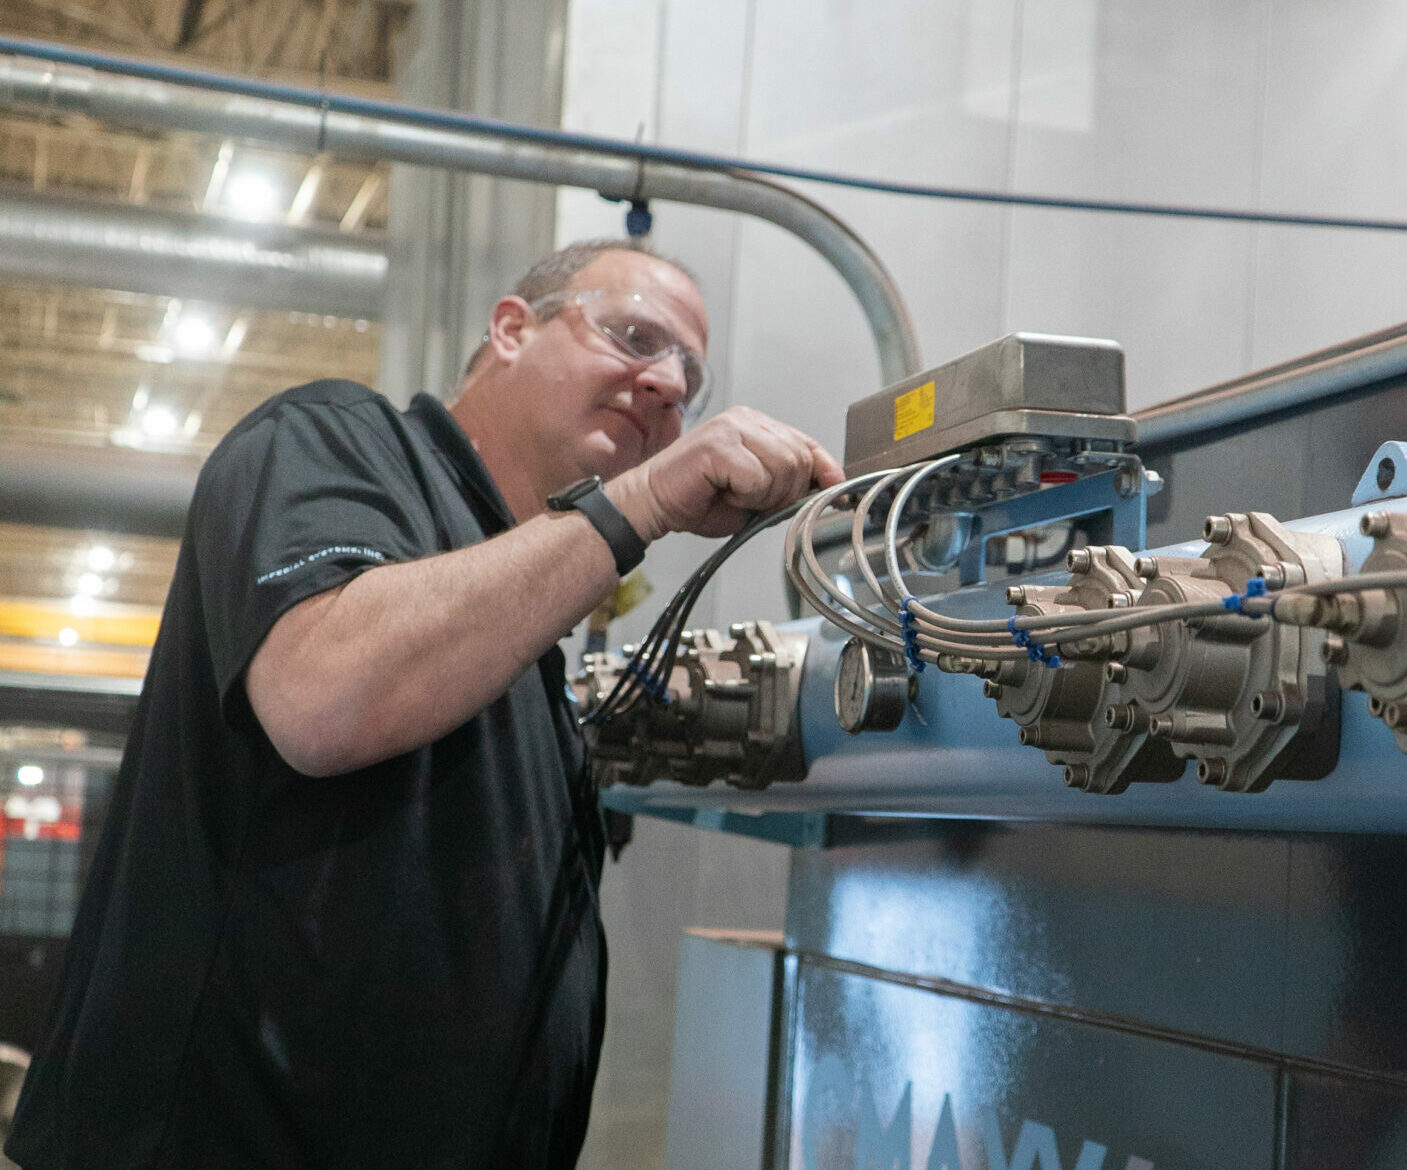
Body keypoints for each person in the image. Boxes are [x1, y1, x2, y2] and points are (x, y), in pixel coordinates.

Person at [5, 239, 843, 1169]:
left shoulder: (526, 619)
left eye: (688, 375)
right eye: (635, 336)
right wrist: (641, 503)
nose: (664, 387)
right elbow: (321, 697)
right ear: (511, 328)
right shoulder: (329, 439)